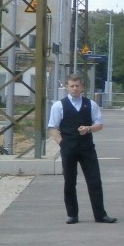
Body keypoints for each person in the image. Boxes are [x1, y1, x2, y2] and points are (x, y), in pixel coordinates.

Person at [47, 74, 117, 224]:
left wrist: (89, 128)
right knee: (70, 181)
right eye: (72, 86)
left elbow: (99, 124)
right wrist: (62, 144)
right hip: (69, 148)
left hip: (87, 148)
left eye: (77, 85)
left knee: (94, 181)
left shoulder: (90, 104)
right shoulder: (59, 105)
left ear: (82, 87)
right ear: (67, 87)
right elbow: (53, 127)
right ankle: (72, 214)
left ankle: (100, 215)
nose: (74, 88)